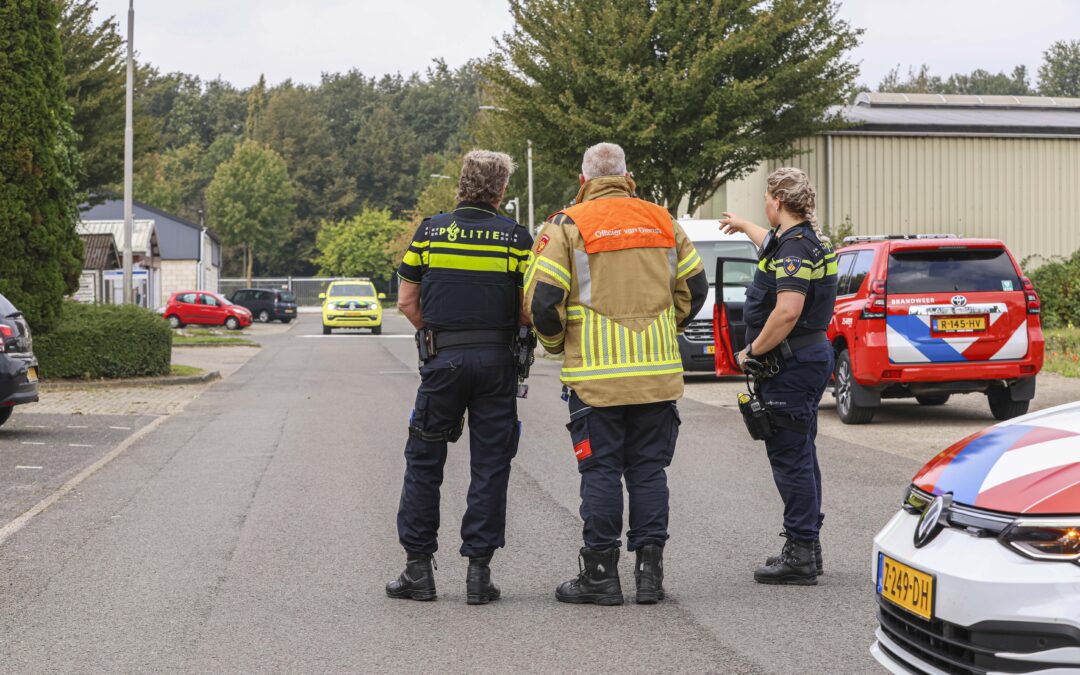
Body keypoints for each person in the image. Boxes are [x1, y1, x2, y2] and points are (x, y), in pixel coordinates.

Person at [525, 143, 709, 605]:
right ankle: (650, 576)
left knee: (601, 472)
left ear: (583, 181)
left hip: (595, 381)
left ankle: (601, 577)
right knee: (649, 472)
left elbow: (544, 302)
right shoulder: (664, 220)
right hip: (657, 376)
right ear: (629, 179)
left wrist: (555, 346)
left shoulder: (566, 225)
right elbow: (696, 286)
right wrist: (670, 326)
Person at [386, 150, 533, 604]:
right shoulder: (515, 238)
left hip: (442, 363)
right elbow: (529, 308)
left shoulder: (430, 233)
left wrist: (437, 340)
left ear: (462, 182)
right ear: (502, 189)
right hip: (496, 365)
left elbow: (407, 302)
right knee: (490, 466)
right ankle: (478, 574)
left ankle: (417, 571)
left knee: (424, 462)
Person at [719, 167, 838, 585]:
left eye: (766, 199)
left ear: (777, 201)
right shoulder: (803, 240)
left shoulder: (795, 250)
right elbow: (767, 241)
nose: (763, 206)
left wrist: (752, 350)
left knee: (791, 459)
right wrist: (741, 225)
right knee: (801, 453)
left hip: (791, 364)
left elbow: (787, 310)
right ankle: (809, 545)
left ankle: (801, 552)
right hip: (805, 360)